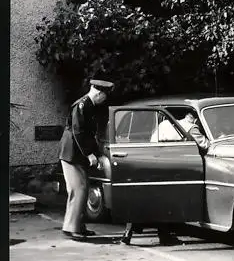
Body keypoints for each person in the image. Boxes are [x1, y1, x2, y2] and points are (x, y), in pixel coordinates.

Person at [121, 111, 209, 246]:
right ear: (195, 119)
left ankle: (128, 234)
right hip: (172, 165)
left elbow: (152, 141)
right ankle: (165, 236)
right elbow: (205, 145)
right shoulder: (192, 127)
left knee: (144, 197)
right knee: (167, 201)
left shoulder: (164, 123)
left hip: (154, 162)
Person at [58, 79, 114, 240]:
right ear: (98, 92)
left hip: (76, 154)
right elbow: (78, 132)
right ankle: (72, 228)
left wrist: (96, 153)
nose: (104, 99)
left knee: (83, 187)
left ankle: (78, 226)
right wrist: (89, 154)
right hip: (71, 153)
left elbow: (89, 134)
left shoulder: (89, 105)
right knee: (79, 189)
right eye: (104, 96)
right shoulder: (82, 105)